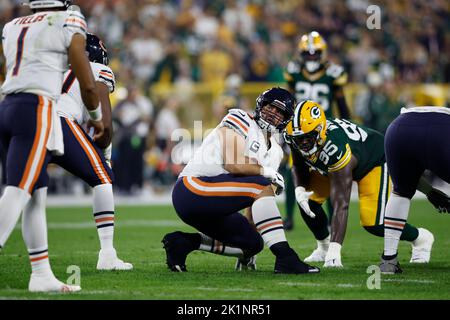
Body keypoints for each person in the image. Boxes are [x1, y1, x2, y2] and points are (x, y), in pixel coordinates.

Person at [0, 0, 103, 292]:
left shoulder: (12, 25)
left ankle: (41, 273)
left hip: (8, 106)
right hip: (36, 108)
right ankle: (40, 273)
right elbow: (86, 78)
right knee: (19, 191)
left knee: (35, 195)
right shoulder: (68, 20)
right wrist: (96, 116)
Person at [162, 87, 320, 274]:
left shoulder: (276, 152)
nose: (273, 113)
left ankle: (182, 243)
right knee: (261, 183)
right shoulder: (240, 118)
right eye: (271, 107)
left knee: (253, 243)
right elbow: (234, 163)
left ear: (286, 118)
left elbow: (255, 200)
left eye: (280, 112)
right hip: (192, 190)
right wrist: (266, 172)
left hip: (217, 206)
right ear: (261, 104)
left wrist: (247, 246)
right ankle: (285, 257)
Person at [283, 100, 447, 268]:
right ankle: (323, 248)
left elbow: (341, 203)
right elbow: (297, 165)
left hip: (371, 163)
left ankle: (420, 238)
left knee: (374, 223)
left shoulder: (334, 146)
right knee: (308, 202)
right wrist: (299, 189)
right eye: (299, 138)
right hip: (332, 167)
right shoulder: (292, 135)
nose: (303, 142)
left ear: (320, 130)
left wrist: (335, 250)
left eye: (307, 137)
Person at [24, 33, 132, 270]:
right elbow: (103, 123)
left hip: (31, 121)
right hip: (59, 122)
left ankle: (36, 266)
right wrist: (106, 154)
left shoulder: (53, 69)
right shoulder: (97, 69)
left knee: (25, 192)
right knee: (103, 178)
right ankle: (107, 254)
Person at [282, 31, 351, 230]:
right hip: (298, 130)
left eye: (315, 53)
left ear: (322, 53)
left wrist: (346, 125)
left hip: (323, 130)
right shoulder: (294, 71)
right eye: (307, 54)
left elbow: (341, 102)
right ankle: (289, 217)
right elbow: (289, 100)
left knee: (330, 171)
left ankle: (331, 219)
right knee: (291, 169)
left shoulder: (333, 73)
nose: (311, 57)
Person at [380, 106, 450, 274]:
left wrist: (430, 191)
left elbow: (408, 180)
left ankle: (388, 261)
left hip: (399, 128)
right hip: (442, 129)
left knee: (400, 192)